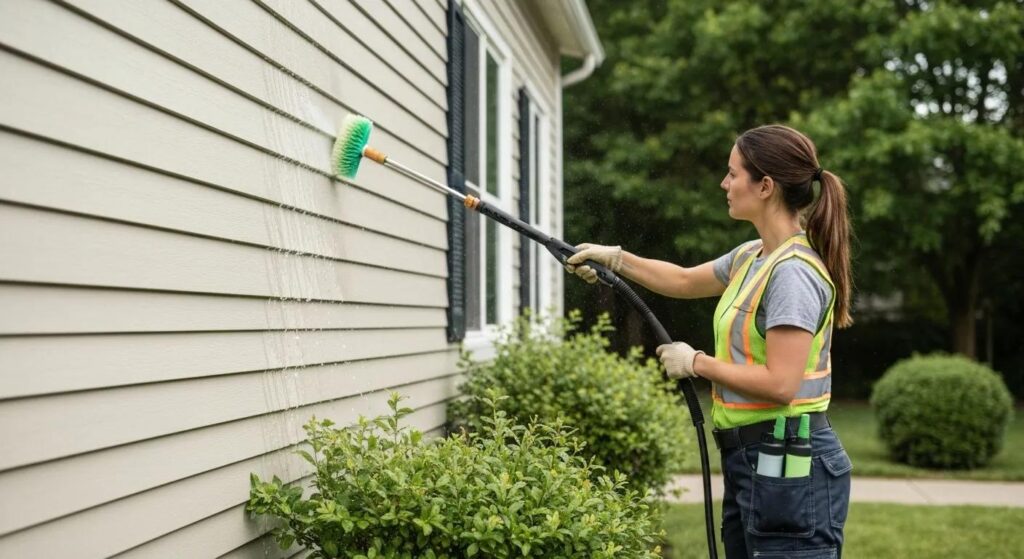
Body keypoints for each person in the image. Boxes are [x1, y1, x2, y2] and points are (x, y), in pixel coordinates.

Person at [565, 124, 854, 558]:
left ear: (766, 186)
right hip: (755, 460)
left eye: (733, 173)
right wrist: (617, 259)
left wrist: (696, 362)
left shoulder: (792, 272)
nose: (724, 183)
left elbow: (781, 383)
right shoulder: (752, 256)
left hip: (790, 462)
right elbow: (682, 280)